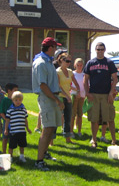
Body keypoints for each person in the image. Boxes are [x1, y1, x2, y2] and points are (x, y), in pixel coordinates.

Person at [32, 37, 65, 171]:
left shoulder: (48, 61)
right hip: (47, 98)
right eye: (55, 47)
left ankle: (44, 153)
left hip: (51, 97)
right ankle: (39, 161)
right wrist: (56, 100)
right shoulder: (41, 63)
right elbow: (43, 85)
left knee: (51, 128)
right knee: (46, 130)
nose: (56, 50)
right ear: (50, 48)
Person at [83, 42, 118, 148]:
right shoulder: (90, 63)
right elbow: (85, 80)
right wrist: (87, 93)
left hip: (106, 95)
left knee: (110, 118)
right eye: (98, 49)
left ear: (105, 50)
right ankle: (94, 140)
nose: (100, 51)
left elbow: (115, 78)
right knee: (94, 119)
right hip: (94, 94)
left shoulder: (109, 62)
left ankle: (114, 140)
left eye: (102, 49)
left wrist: (111, 93)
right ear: (95, 50)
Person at [56, 52, 80, 143]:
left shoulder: (70, 72)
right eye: (67, 61)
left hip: (68, 97)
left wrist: (78, 90)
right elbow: (58, 86)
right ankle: (51, 140)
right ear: (61, 60)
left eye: (70, 61)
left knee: (68, 118)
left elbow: (75, 83)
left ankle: (67, 138)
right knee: (57, 118)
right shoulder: (57, 72)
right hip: (60, 97)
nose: (69, 63)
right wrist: (66, 96)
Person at [4, 91, 32, 162]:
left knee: (22, 145)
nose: (18, 102)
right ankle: (10, 157)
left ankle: (22, 156)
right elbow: (7, 120)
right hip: (13, 131)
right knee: (11, 146)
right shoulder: (10, 110)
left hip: (22, 131)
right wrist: (6, 129)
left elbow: (25, 119)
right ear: (12, 100)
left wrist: (27, 128)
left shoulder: (23, 109)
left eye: (20, 100)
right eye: (16, 100)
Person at [0, 82, 19, 154]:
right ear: (9, 91)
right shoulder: (5, 100)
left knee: (12, 139)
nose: (17, 92)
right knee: (5, 138)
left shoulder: (17, 101)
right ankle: (4, 152)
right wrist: (6, 120)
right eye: (15, 90)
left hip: (15, 123)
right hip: (6, 123)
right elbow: (1, 112)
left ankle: (10, 153)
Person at [71, 58, 85, 138]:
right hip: (74, 95)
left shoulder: (84, 75)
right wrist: (75, 90)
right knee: (72, 114)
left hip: (82, 96)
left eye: (81, 65)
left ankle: (79, 131)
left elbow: (86, 85)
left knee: (80, 114)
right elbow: (69, 84)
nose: (79, 67)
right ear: (75, 65)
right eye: (77, 65)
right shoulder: (72, 74)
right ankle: (71, 131)